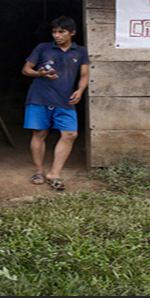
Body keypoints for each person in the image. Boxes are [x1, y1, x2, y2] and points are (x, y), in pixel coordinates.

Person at [21, 16, 90, 190]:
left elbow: (84, 75)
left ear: (72, 33)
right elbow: (26, 70)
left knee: (70, 135)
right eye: (54, 32)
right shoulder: (43, 48)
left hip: (65, 99)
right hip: (39, 97)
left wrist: (80, 90)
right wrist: (39, 74)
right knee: (40, 133)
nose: (57, 35)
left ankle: (55, 173)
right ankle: (39, 171)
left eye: (62, 32)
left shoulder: (80, 52)